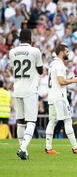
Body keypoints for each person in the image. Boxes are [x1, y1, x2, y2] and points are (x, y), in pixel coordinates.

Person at [44, 44, 77, 154]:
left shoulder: (52, 64)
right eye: (66, 51)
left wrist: (68, 79)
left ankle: (48, 147)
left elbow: (58, 81)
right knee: (68, 120)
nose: (68, 53)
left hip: (52, 97)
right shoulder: (59, 65)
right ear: (61, 52)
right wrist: (73, 81)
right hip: (60, 97)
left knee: (52, 121)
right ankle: (75, 147)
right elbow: (61, 81)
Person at [9, 29, 43, 160]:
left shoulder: (12, 52)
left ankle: (23, 150)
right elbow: (40, 70)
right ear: (30, 38)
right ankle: (23, 148)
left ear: (19, 38)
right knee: (31, 121)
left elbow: (13, 68)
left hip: (17, 88)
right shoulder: (35, 51)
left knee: (20, 122)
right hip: (30, 89)